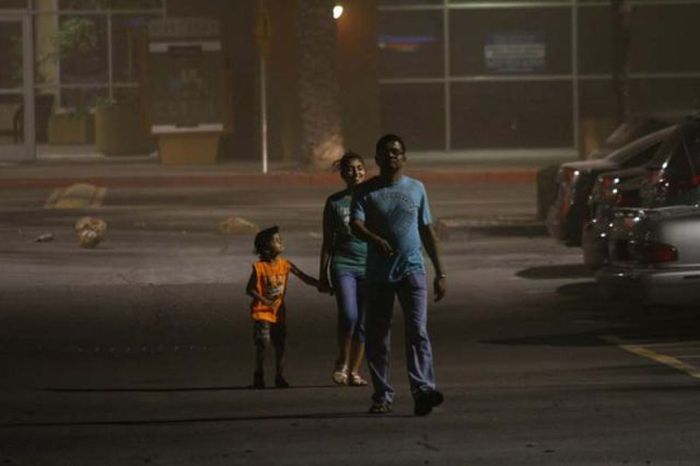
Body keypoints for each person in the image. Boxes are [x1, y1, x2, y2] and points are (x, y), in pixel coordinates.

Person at [350, 134, 447, 416]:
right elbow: (356, 224)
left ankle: (423, 390)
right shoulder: (365, 191)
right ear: (377, 158)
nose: (391, 156)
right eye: (385, 152)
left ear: (404, 157)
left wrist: (440, 272)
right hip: (379, 276)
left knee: (418, 331)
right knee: (379, 336)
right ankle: (382, 394)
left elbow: (427, 231)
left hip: (412, 270)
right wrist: (375, 239)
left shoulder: (417, 188)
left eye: (396, 152)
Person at [246, 226, 321, 389]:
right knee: (263, 342)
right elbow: (249, 289)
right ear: (265, 249)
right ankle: (259, 373)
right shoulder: (259, 268)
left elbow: (304, 277)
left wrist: (321, 285)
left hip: (279, 313)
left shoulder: (286, 265)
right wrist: (265, 301)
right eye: (276, 240)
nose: (280, 241)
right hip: (262, 312)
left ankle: (279, 375)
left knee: (280, 344)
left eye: (280, 239)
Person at [318, 152, 369, 387]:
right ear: (343, 173)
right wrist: (322, 274)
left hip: (370, 266)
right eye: (350, 168)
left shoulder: (373, 198)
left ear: (365, 171)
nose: (355, 172)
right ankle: (342, 362)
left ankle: (355, 371)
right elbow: (328, 241)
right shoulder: (334, 202)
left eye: (359, 168)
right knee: (349, 315)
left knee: (363, 322)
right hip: (343, 264)